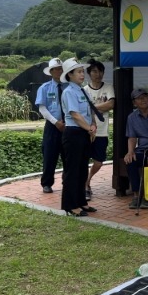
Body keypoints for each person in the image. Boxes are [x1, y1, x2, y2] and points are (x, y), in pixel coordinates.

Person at [59, 58, 97, 216]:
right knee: (72, 171)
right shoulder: (69, 92)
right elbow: (75, 115)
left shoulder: (82, 90)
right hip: (74, 133)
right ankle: (70, 205)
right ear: (70, 75)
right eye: (79, 72)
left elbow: (90, 111)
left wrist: (93, 125)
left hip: (84, 132)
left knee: (82, 170)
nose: (83, 74)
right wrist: (89, 128)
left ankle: (81, 201)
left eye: (83, 71)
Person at [83, 59, 115, 201]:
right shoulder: (84, 90)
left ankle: (88, 180)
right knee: (83, 160)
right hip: (86, 130)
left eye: (100, 71)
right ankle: (85, 186)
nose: (98, 74)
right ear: (89, 73)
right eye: (94, 71)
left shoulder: (108, 87)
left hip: (101, 131)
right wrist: (102, 106)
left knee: (99, 161)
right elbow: (82, 109)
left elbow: (111, 104)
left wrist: (92, 107)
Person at [35, 58, 64, 194]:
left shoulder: (69, 87)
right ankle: (47, 183)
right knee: (49, 156)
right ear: (51, 72)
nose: (59, 71)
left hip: (68, 126)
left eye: (61, 69)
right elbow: (42, 108)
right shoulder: (45, 88)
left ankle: (67, 181)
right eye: (56, 69)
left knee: (68, 156)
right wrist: (56, 122)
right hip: (53, 126)